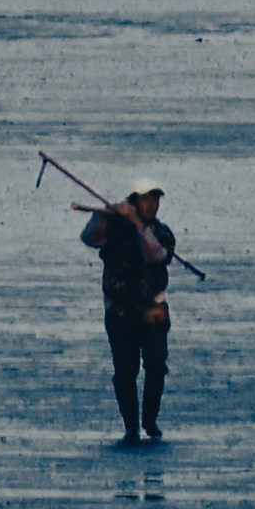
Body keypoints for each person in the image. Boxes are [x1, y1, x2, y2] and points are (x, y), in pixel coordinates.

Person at [82, 185, 181, 443]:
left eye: (155, 200)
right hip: (119, 312)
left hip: (152, 312)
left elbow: (155, 256)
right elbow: (90, 238)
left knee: (156, 364)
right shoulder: (113, 228)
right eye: (146, 199)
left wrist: (138, 225)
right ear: (134, 201)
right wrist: (104, 215)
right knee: (125, 372)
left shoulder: (162, 232)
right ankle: (130, 426)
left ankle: (150, 420)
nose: (152, 205)